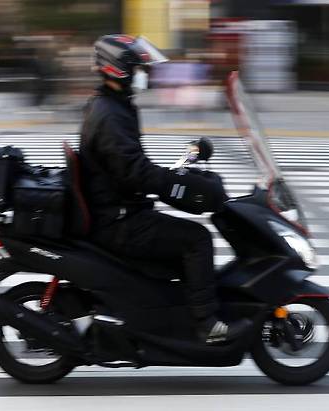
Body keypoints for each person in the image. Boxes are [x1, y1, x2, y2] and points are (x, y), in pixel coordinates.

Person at [77, 34, 250, 345]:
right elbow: (135, 172)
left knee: (182, 247)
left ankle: (173, 318)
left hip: (120, 210)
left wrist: (176, 175)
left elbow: (130, 166)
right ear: (120, 70)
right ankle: (206, 325)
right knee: (196, 241)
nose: (146, 76)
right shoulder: (110, 115)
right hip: (120, 221)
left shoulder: (113, 107)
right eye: (140, 69)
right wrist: (176, 186)